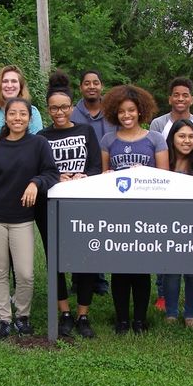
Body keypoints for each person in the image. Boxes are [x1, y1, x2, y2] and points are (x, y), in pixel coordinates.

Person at [0, 98, 58, 340]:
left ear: (30, 118)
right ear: (5, 117)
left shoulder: (38, 144)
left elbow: (52, 174)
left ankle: (22, 316)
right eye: (13, 114)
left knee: (25, 272)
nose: (17, 118)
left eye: (23, 114)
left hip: (22, 218)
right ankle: (4, 320)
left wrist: (35, 182)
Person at [36, 70, 102, 338]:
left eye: (64, 107)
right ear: (48, 109)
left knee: (85, 259)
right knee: (56, 259)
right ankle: (64, 312)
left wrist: (84, 175)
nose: (59, 112)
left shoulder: (86, 131)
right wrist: (55, 176)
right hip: (50, 205)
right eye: (54, 108)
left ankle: (83, 314)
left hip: (83, 203)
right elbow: (37, 170)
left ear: (71, 107)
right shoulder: (41, 136)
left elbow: (97, 166)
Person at [101, 84, 168, 334]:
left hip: (145, 213)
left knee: (140, 268)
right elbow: (104, 175)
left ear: (140, 111)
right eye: (121, 112)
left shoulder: (155, 139)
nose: (126, 115)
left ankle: (139, 320)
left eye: (131, 110)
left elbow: (164, 178)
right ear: (114, 113)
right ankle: (121, 320)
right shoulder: (108, 140)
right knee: (119, 269)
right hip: (117, 213)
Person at [70, 69, 117, 296]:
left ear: (101, 86)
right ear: (81, 87)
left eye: (95, 82)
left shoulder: (111, 112)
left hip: (105, 175)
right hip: (78, 177)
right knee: (79, 228)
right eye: (87, 83)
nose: (91, 86)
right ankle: (77, 279)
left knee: (100, 228)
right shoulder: (73, 113)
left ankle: (99, 279)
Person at [162, 119, 193, 328]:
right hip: (168, 222)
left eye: (191, 136)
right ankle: (171, 312)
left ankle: (189, 314)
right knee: (170, 270)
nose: (186, 141)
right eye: (181, 136)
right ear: (172, 139)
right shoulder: (163, 162)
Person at [149, 77, 193, 151]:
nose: (180, 99)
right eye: (176, 95)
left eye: (185, 95)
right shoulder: (158, 124)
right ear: (170, 99)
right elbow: (152, 152)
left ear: (191, 100)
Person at [0, 65, 43, 136]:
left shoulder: (33, 112)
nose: (9, 85)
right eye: (5, 81)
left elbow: (36, 142)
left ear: (20, 86)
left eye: (14, 81)